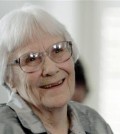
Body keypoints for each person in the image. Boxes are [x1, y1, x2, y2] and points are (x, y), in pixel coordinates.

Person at [0, 5, 113, 134]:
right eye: (31, 59)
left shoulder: (95, 124)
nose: (51, 69)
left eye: (58, 50)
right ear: (9, 78)